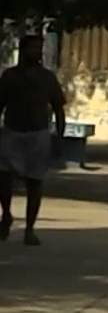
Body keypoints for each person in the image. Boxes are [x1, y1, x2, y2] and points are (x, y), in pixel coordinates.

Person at [0, 35, 66, 246]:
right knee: (3, 178)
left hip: (38, 133)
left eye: (39, 48)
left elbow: (58, 107)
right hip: (12, 131)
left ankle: (30, 228)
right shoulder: (9, 77)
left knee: (35, 182)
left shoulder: (47, 78)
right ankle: (6, 213)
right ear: (23, 50)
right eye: (32, 48)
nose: (36, 52)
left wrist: (59, 136)